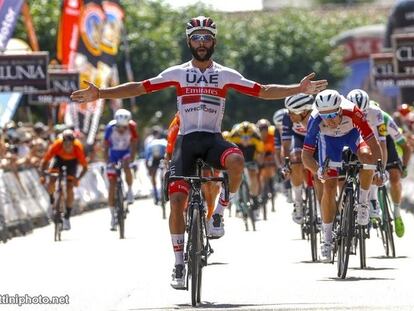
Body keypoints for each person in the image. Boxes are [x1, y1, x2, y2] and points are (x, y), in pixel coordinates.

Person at [71, 15, 327, 289]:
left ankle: (219, 212)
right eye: (197, 38)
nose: (202, 43)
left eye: (206, 38)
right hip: (186, 142)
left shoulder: (225, 75)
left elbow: (263, 91)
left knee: (237, 159)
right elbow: (139, 88)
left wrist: (298, 89)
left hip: (213, 140)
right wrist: (101, 94)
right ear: (189, 41)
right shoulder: (178, 73)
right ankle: (179, 264)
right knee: (178, 201)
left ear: (214, 41)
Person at [302, 89, 383, 261]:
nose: (329, 120)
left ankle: (363, 203)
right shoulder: (315, 119)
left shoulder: (353, 112)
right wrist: (318, 170)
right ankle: (327, 238)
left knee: (367, 158)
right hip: (329, 142)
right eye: (325, 116)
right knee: (329, 186)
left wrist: (379, 168)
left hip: (352, 135)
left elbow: (373, 144)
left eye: (332, 114)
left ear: (339, 109)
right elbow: (306, 156)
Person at [346, 89, 388, 220]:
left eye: (364, 112)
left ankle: (373, 199)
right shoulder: (344, 110)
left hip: (371, 140)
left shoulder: (376, 113)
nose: (361, 116)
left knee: (373, 170)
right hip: (353, 140)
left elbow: (382, 144)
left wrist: (381, 169)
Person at [372, 100, 412, 237]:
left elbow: (405, 147)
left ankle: (396, 212)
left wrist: (404, 167)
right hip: (367, 143)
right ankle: (373, 205)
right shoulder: (359, 119)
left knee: (395, 177)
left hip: (386, 145)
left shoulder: (385, 119)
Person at [40, 129, 88, 230]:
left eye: (69, 145)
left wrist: (77, 179)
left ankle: (67, 217)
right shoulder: (57, 144)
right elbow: (45, 161)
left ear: (73, 143)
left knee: (70, 187)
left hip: (72, 163)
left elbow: (85, 167)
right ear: (62, 142)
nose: (67, 146)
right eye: (65, 144)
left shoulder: (78, 147)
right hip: (59, 160)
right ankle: (52, 202)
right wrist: (43, 176)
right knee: (52, 179)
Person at [281, 93, 315, 224]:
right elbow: (286, 143)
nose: (289, 114)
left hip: (313, 137)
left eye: (292, 112)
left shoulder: (315, 114)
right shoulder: (287, 117)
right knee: (295, 157)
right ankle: (298, 201)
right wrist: (286, 162)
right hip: (298, 138)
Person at [104, 109, 138, 231]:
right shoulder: (110, 127)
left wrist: (132, 158)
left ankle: (129, 191)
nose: (121, 129)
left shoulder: (132, 127)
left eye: (124, 127)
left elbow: (134, 143)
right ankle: (112, 216)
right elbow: (106, 145)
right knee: (112, 185)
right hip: (113, 154)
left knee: (127, 166)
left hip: (125, 152)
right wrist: (107, 161)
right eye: (119, 126)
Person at [228, 121, 264, 213]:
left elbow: (260, 153)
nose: (245, 140)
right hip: (237, 155)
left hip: (251, 156)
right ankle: (236, 199)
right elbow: (228, 152)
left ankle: (254, 197)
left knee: (253, 175)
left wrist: (260, 164)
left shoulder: (256, 137)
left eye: (248, 138)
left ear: (251, 136)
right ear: (239, 136)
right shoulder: (233, 137)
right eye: (243, 138)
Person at [144, 126, 167, 205]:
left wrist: (148, 168)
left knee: (153, 175)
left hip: (155, 159)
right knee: (164, 173)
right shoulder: (164, 141)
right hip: (162, 158)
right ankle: (162, 190)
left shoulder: (150, 142)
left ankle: (156, 193)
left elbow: (147, 157)